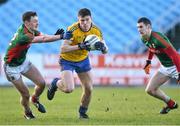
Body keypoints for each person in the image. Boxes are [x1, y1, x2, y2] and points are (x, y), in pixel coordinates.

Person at [3, 11, 72, 119]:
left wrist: (55, 36)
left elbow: (43, 36)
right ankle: (27, 112)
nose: (37, 24)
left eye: (37, 21)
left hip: (22, 61)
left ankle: (34, 99)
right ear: (26, 22)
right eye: (35, 21)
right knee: (25, 94)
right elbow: (43, 40)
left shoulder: (29, 29)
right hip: (11, 67)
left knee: (41, 83)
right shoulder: (23, 36)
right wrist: (61, 36)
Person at [47, 8, 108, 119]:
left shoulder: (96, 30)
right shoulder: (72, 29)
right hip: (67, 60)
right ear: (78, 20)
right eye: (82, 20)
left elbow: (105, 50)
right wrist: (80, 46)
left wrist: (103, 48)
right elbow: (63, 48)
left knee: (89, 89)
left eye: (87, 20)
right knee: (68, 89)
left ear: (91, 19)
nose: (84, 23)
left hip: (83, 60)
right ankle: (55, 83)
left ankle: (82, 113)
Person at [137, 17, 179, 114]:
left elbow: (174, 55)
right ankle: (171, 104)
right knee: (150, 90)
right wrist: (148, 61)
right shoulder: (144, 38)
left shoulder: (158, 39)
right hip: (165, 67)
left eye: (141, 27)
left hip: (176, 64)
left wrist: (179, 72)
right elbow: (151, 48)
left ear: (148, 27)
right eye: (137, 27)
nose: (139, 29)